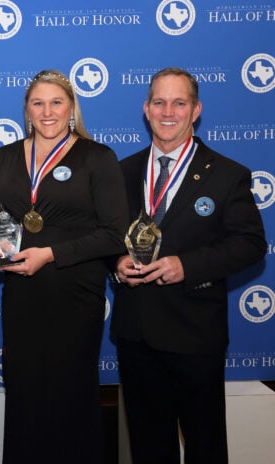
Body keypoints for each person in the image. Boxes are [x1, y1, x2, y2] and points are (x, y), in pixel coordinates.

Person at [111, 67, 266, 464]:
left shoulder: (227, 175)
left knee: (205, 445)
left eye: (179, 103)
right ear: (146, 109)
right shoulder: (121, 173)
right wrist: (116, 262)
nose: (168, 112)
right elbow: (106, 237)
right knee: (148, 447)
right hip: (137, 333)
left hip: (195, 334)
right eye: (159, 102)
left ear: (195, 110)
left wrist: (187, 265)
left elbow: (250, 244)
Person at [0, 70, 128, 463]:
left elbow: (116, 235)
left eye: (57, 102)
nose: (47, 112)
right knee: (25, 395)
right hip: (22, 298)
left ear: (72, 108)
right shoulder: (3, 159)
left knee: (71, 394)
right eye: (38, 103)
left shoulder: (97, 157)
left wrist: (51, 254)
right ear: (27, 109)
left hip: (75, 294)